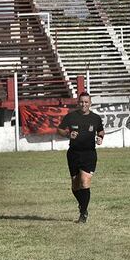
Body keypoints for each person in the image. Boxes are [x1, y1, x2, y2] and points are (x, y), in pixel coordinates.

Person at [57, 93, 104, 223]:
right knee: (75, 185)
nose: (84, 104)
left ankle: (83, 213)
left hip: (89, 154)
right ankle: (82, 205)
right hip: (73, 153)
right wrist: (68, 134)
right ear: (78, 103)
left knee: (84, 182)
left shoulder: (96, 118)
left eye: (86, 102)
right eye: (81, 102)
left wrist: (100, 138)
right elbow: (59, 130)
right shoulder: (71, 117)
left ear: (90, 103)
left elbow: (100, 131)